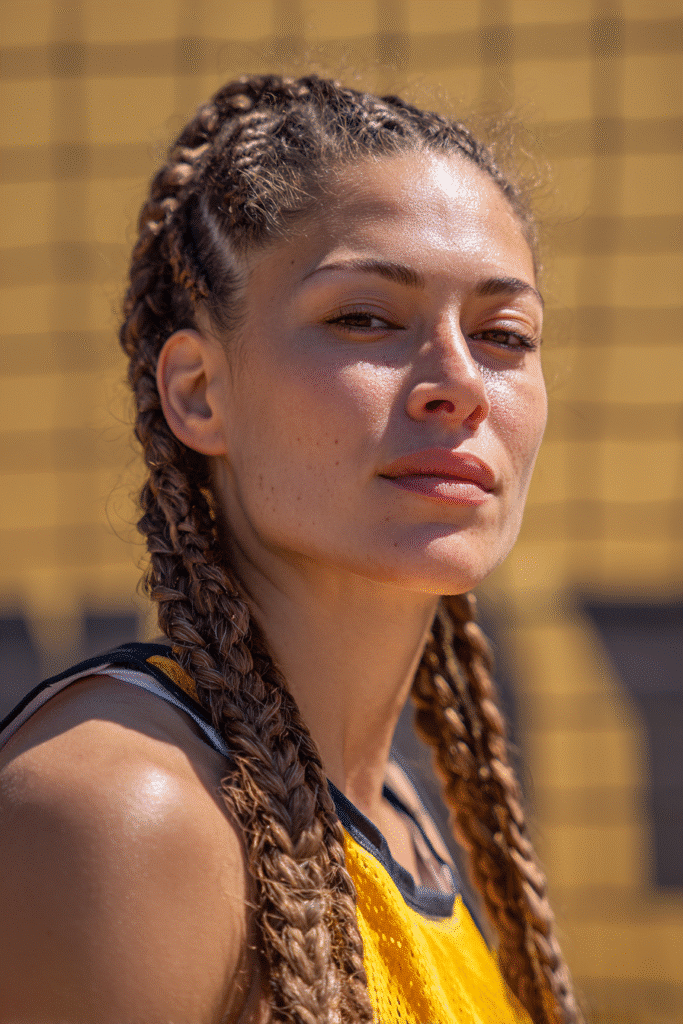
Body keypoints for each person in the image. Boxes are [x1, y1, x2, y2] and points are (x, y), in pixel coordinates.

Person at [0, 74, 582, 1024]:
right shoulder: (123, 813)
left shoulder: (393, 810)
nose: (458, 385)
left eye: (502, 334)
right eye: (364, 318)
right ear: (198, 392)